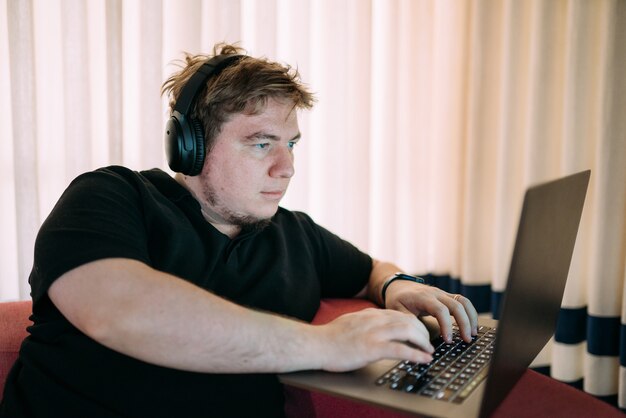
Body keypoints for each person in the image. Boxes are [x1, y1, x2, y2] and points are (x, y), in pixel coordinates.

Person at [0, 43, 478, 418]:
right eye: (261, 142)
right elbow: (120, 311)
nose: (286, 167)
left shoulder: (296, 236)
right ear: (190, 145)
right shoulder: (112, 196)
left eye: (291, 144)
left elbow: (370, 270)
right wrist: (329, 344)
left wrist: (396, 286)